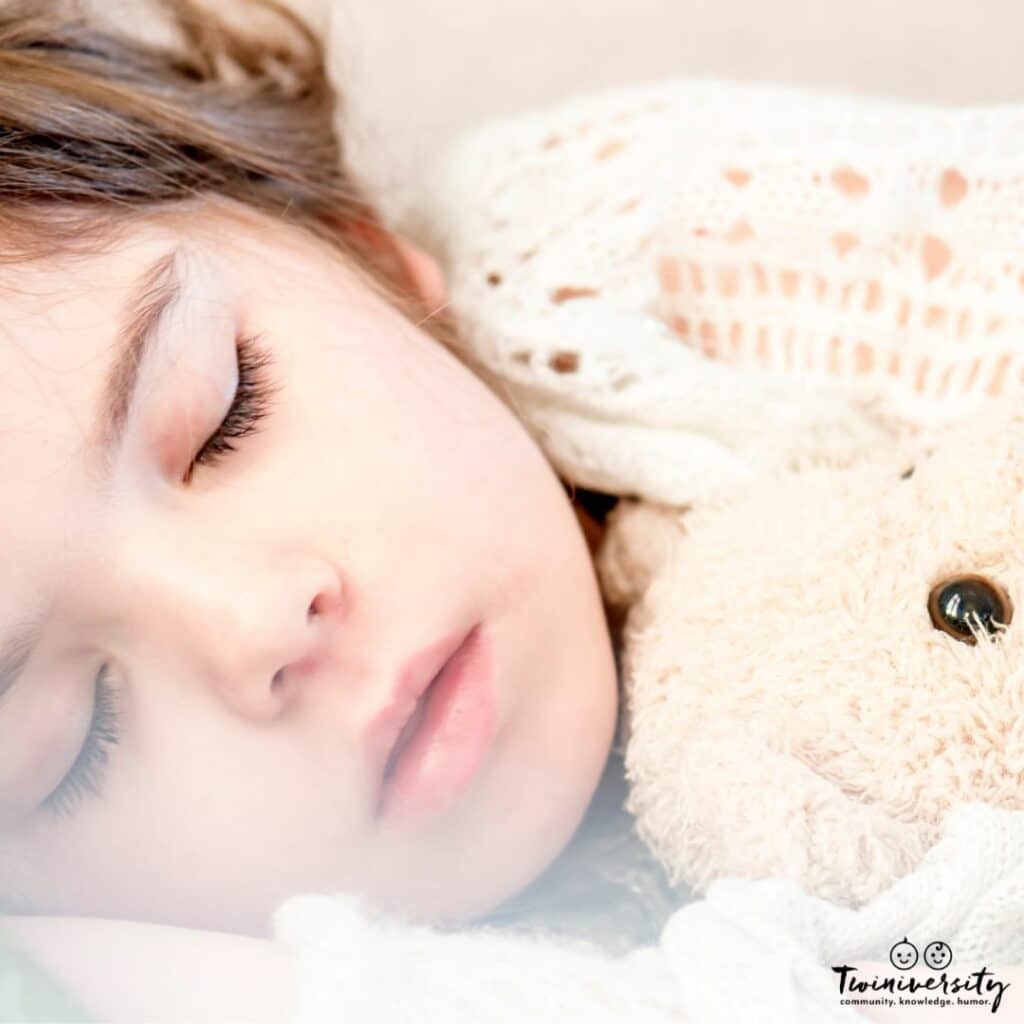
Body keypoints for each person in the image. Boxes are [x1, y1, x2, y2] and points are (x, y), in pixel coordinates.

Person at [0, 3, 1018, 1022]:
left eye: (227, 411)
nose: (256, 619)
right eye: (74, 738)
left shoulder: (630, 247)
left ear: (371, 257)